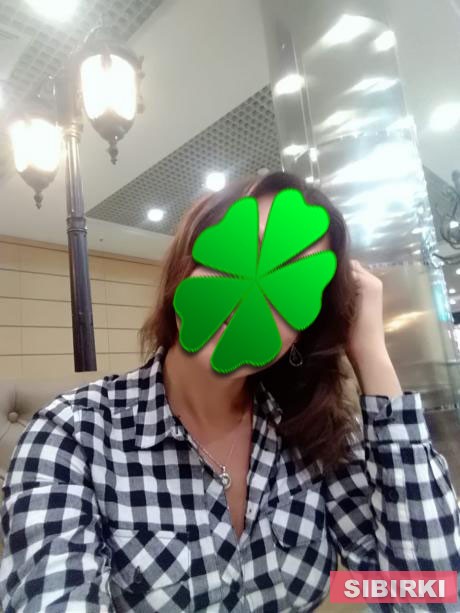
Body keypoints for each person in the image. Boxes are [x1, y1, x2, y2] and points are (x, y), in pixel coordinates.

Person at [0, 171, 459, 612]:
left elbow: (427, 597)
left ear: (300, 335)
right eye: (238, 255)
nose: (250, 298)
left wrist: (371, 353)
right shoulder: (72, 435)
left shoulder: (315, 435)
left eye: (291, 288)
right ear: (187, 265)